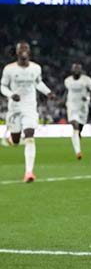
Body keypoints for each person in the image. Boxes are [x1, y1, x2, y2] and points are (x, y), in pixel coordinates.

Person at [0, 41, 54, 182]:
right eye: (20, 48)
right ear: (17, 52)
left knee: (29, 135)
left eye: (26, 48)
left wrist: (48, 92)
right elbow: (3, 86)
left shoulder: (36, 68)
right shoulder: (9, 69)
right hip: (14, 107)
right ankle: (13, 139)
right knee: (17, 140)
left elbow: (38, 82)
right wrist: (11, 95)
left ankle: (29, 172)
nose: (23, 50)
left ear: (29, 52)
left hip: (29, 106)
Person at [64, 62, 91, 159]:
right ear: (72, 70)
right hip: (72, 106)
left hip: (83, 107)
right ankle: (78, 152)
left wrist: (88, 98)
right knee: (75, 126)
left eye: (78, 69)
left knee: (80, 129)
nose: (77, 70)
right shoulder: (67, 81)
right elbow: (67, 92)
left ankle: (77, 136)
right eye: (75, 69)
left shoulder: (87, 80)